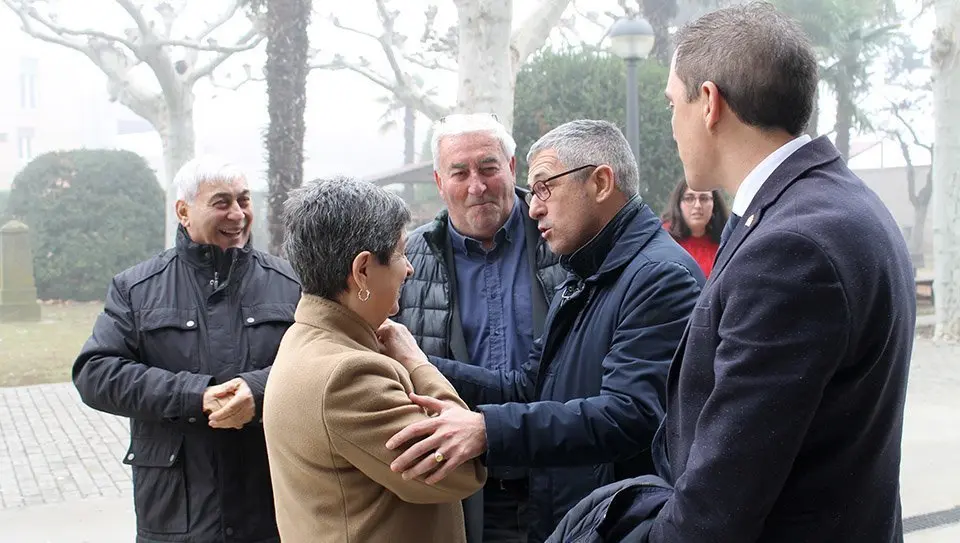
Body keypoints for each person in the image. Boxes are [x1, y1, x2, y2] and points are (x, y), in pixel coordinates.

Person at [595, 2, 912, 541]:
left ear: (710, 103)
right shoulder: (831, 202)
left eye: (674, 103)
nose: (672, 124)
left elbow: (719, 505)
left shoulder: (791, 247)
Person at [379, 119, 705, 543]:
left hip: (617, 521)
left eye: (545, 188)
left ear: (601, 183)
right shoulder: (588, 270)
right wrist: (418, 361)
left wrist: (485, 430)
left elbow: (632, 413)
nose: (534, 207)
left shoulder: (658, 276)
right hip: (567, 514)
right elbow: (531, 386)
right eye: (459, 173)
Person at [72, 156, 302, 542]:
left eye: (244, 200)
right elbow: (95, 372)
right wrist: (194, 396)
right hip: (178, 513)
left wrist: (259, 391)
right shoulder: (136, 288)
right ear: (183, 211)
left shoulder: (290, 282)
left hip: (271, 510)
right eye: (221, 202)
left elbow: (324, 359)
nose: (238, 214)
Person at [261, 177, 486, 543]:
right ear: (362, 270)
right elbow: (460, 472)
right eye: (400, 252)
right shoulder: (348, 375)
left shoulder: (305, 340)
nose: (409, 268)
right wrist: (417, 363)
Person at [395, 112, 565, 543]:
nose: (476, 185)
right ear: (439, 181)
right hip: (463, 490)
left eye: (488, 168)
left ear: (510, 169)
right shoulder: (406, 265)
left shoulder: (563, 242)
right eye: (460, 173)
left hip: (561, 480)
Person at [660, 178, 730, 277]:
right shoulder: (663, 239)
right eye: (689, 198)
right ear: (678, 204)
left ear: (714, 204)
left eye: (704, 198)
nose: (697, 205)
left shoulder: (727, 242)